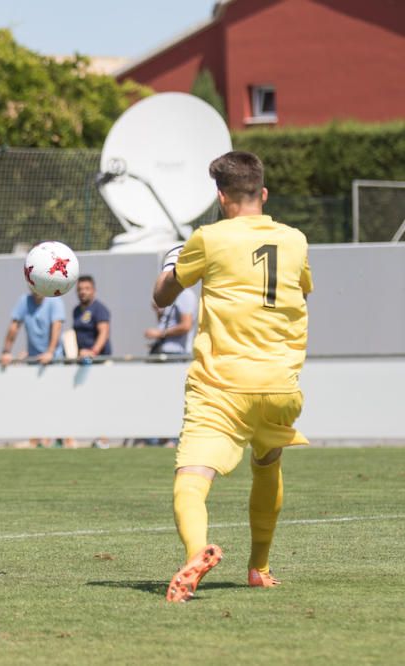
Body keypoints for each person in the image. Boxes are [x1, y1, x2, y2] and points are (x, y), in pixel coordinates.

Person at [153, 151, 312, 603]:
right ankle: (259, 568)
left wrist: (171, 265)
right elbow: (300, 291)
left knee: (192, 477)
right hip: (279, 383)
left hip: (221, 384)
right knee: (267, 464)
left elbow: (163, 297)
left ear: (221, 198)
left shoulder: (209, 238)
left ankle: (195, 552)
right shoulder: (296, 240)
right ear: (262, 193)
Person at [0, 288, 65, 367]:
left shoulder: (55, 301)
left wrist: (50, 353)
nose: (37, 289)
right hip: (33, 362)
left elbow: (57, 328)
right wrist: (6, 352)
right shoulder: (24, 301)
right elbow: (14, 327)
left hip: (54, 361)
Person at [146, 287, 197, 355]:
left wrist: (160, 334)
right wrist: (158, 311)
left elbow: (186, 326)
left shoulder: (185, 295)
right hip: (164, 350)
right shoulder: (172, 294)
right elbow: (165, 324)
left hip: (177, 353)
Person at [71, 275, 111, 358]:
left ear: (94, 290)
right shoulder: (76, 310)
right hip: (83, 359)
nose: (83, 292)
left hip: (99, 360)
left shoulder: (99, 309)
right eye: (80, 289)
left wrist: (93, 352)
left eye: (87, 289)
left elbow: (104, 333)